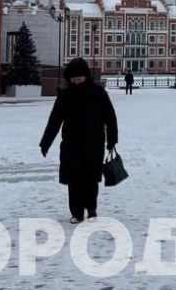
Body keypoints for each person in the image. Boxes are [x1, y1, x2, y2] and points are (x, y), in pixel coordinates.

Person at [40, 58, 119, 223]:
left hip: (94, 143)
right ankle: (76, 213)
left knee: (91, 179)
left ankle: (91, 210)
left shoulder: (98, 92)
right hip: (71, 144)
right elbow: (55, 120)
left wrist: (112, 139)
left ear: (86, 76)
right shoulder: (65, 95)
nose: (76, 81)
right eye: (73, 78)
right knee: (73, 179)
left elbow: (110, 117)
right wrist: (46, 142)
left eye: (79, 78)